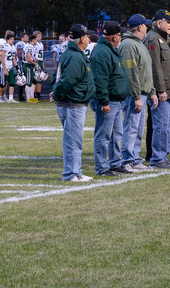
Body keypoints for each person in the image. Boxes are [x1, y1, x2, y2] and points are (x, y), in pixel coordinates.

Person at [52, 23, 94, 181]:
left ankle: (76, 172)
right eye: (87, 36)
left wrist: (55, 91)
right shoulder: (75, 55)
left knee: (75, 140)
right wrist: (57, 93)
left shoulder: (72, 53)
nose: (89, 39)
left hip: (71, 102)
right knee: (73, 141)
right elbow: (67, 80)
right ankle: (71, 174)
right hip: (72, 103)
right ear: (82, 38)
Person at [88, 21, 129, 177]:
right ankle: (102, 167)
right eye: (119, 35)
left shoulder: (110, 49)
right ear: (114, 37)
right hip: (108, 100)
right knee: (104, 135)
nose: (120, 38)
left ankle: (114, 162)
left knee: (116, 134)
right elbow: (100, 80)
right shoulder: (102, 52)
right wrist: (104, 101)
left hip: (116, 99)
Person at [118, 14, 157, 173]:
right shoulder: (128, 44)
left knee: (138, 129)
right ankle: (127, 159)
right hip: (134, 94)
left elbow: (146, 71)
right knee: (131, 127)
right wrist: (135, 96)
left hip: (142, 92)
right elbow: (131, 72)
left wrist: (152, 92)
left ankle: (135, 158)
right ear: (140, 27)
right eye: (145, 25)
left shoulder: (138, 44)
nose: (147, 28)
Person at [144, 9, 170, 169]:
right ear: (159, 23)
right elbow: (155, 66)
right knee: (161, 125)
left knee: (166, 125)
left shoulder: (162, 38)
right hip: (161, 91)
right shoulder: (153, 38)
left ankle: (162, 156)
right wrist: (160, 89)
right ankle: (158, 158)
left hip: (168, 89)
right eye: (169, 21)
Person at [0, 31, 17, 103]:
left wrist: (16, 66)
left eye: (13, 39)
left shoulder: (13, 47)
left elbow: (13, 58)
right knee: (2, 83)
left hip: (10, 67)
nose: (12, 40)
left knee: (12, 82)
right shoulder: (4, 46)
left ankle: (11, 98)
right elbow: (2, 58)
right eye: (11, 39)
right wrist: (5, 69)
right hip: (4, 67)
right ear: (7, 40)